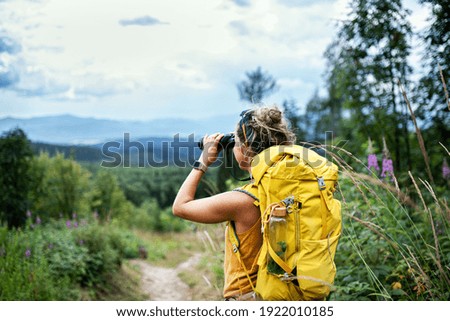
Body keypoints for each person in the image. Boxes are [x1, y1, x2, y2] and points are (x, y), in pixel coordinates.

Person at [172, 105, 296, 300]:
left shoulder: (243, 201)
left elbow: (180, 207)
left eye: (236, 142)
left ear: (246, 150)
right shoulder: (294, 191)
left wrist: (203, 161)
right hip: (288, 295)